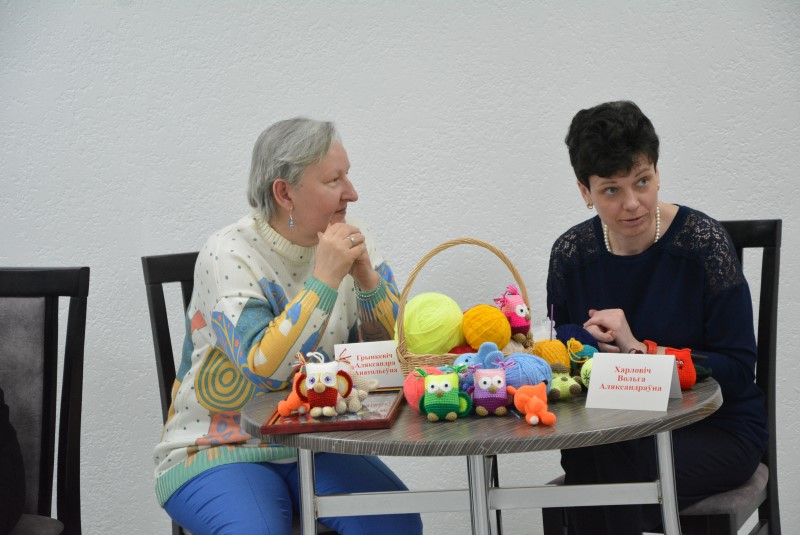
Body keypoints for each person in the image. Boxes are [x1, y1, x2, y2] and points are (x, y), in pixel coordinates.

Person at [154, 117, 423, 535]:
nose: (352, 193)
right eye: (333, 180)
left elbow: (398, 357)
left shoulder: (353, 238)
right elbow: (265, 371)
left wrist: (368, 280)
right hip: (219, 447)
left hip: (319, 443)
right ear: (284, 193)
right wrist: (325, 280)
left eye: (347, 175)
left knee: (397, 526)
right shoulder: (227, 253)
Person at [546, 100, 767, 534]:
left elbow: (739, 370)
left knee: (607, 472)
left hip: (715, 428)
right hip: (614, 434)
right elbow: (561, 358)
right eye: (611, 190)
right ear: (585, 191)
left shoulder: (704, 245)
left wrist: (639, 351)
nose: (633, 203)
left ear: (658, 173)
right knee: (591, 458)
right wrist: (584, 349)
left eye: (642, 182)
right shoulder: (571, 256)